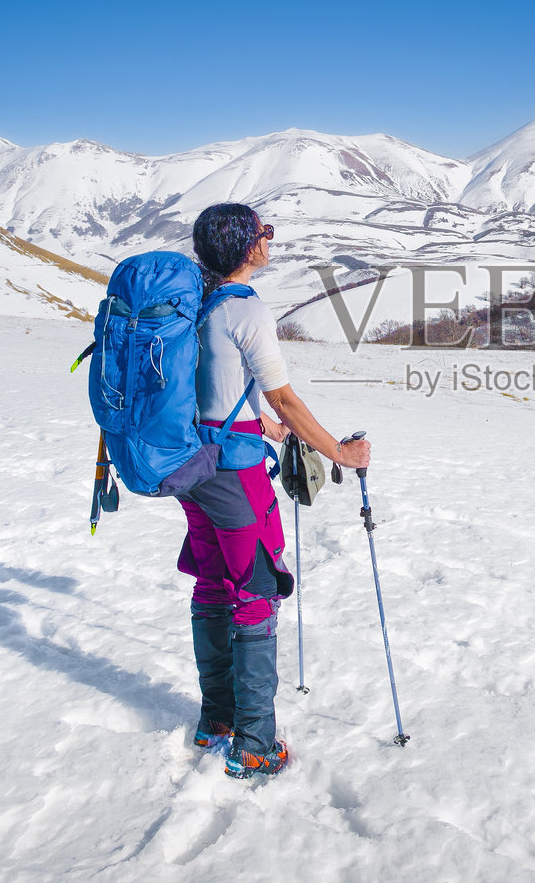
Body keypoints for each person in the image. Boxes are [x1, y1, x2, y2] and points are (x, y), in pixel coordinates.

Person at [179, 202, 370, 779]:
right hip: (234, 475)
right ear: (245, 248)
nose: (270, 239)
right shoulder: (247, 309)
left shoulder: (201, 305)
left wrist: (259, 423)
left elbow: (213, 384)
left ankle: (217, 720)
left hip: (195, 467)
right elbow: (283, 395)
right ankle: (255, 742)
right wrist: (338, 451)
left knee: (214, 584)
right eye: (264, 232)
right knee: (255, 591)